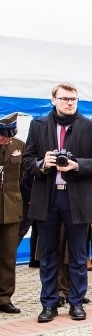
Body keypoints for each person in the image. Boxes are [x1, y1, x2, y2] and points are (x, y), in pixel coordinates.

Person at [22, 82, 92, 322]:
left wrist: (77, 165)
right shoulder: (38, 125)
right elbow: (27, 161)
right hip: (48, 197)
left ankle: (76, 302)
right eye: (64, 99)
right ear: (53, 100)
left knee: (78, 254)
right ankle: (49, 304)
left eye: (73, 99)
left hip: (78, 199)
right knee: (48, 255)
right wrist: (43, 164)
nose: (69, 102)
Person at [0, 113, 24, 314]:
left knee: (8, 255)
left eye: (8, 136)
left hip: (11, 208)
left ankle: (4, 297)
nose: (5, 139)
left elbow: (24, 176)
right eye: (2, 136)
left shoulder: (19, 146)